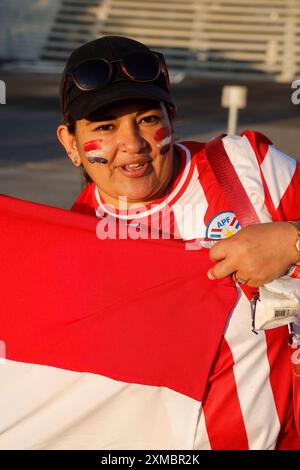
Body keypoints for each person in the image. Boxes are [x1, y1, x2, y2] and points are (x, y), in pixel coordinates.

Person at [54, 35, 300, 450]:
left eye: (148, 118)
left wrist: (293, 240)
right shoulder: (71, 247)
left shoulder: (247, 169)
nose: (133, 144)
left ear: (171, 117)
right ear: (71, 144)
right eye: (105, 127)